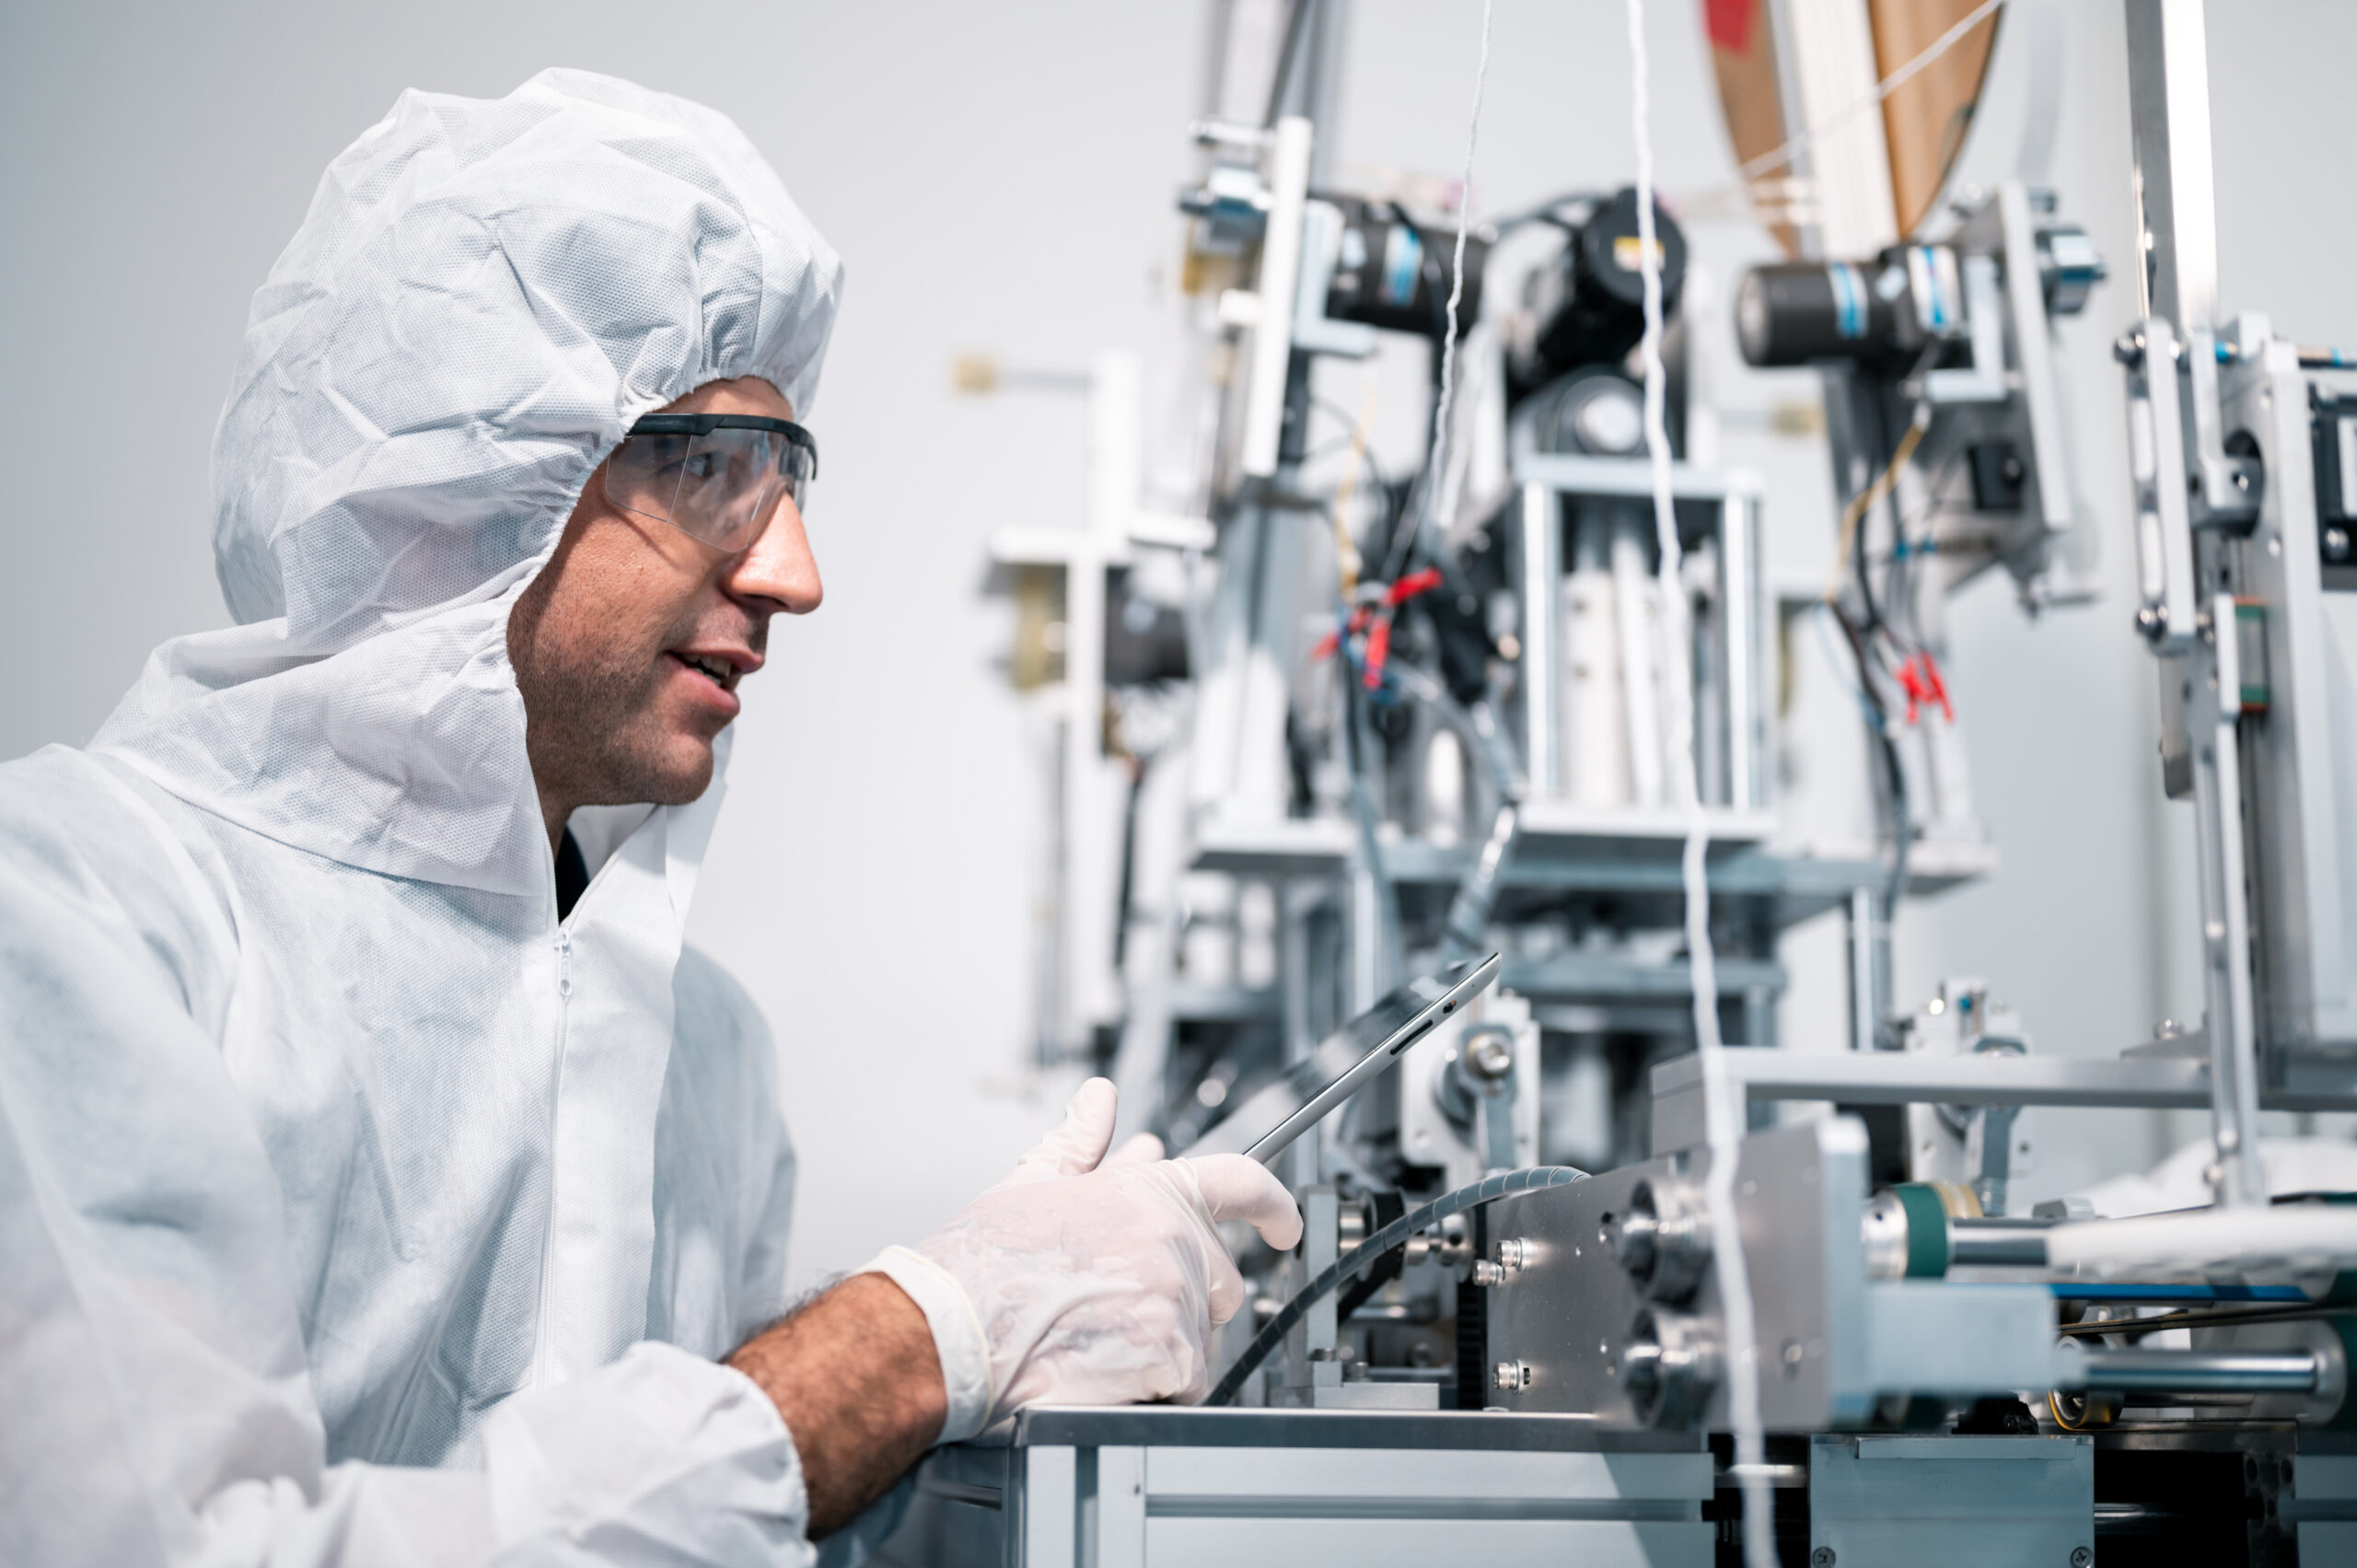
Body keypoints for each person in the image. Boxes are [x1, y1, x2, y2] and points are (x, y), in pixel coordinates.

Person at [0, 69, 1299, 1566]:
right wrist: (910, 1339)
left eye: (789, 483)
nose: (795, 575)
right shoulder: (77, 925)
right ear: (464, 479)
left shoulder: (706, 1057)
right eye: (708, 471)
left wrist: (1000, 1397)